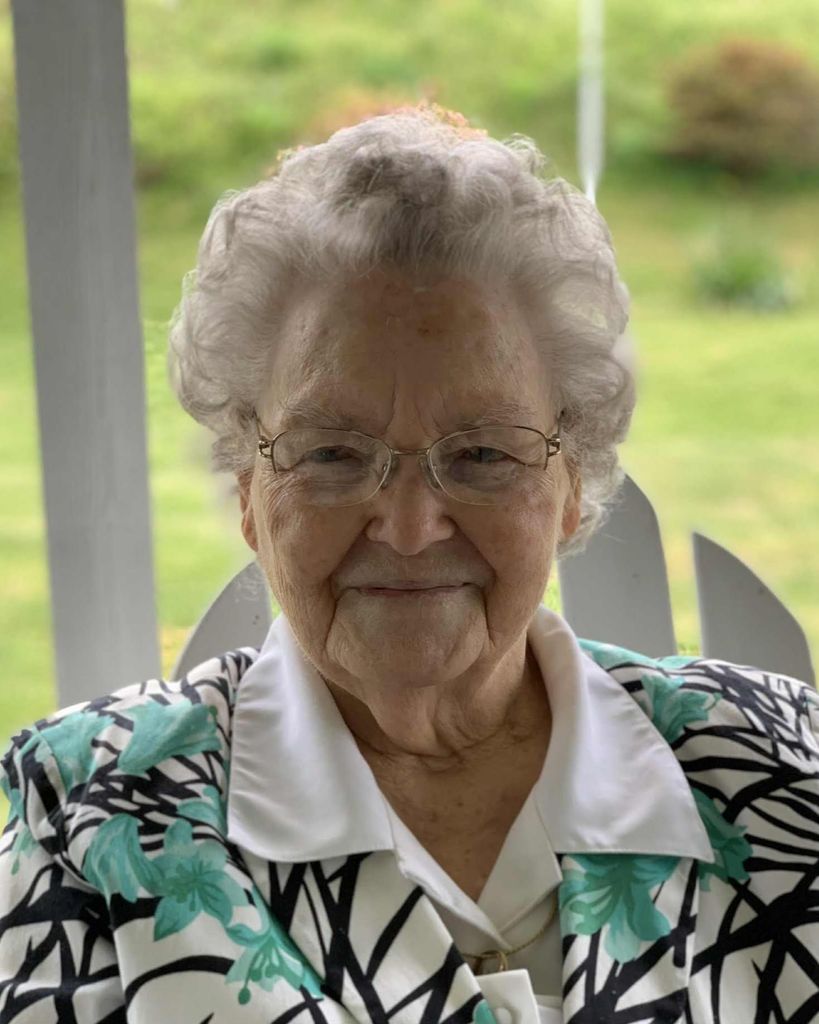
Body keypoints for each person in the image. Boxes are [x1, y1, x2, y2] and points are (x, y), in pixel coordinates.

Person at [1, 103, 817, 1024]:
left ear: (572, 484)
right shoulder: (90, 812)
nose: (408, 525)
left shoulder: (786, 773)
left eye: (482, 453)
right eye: (330, 453)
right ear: (248, 492)